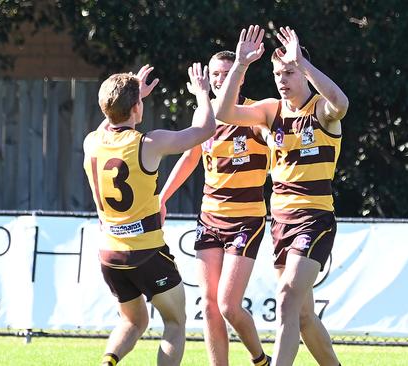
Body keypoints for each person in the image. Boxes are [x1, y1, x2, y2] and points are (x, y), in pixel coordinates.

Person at [215, 25, 349, 366]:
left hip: (314, 219)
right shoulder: (271, 111)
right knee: (303, 317)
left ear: (304, 72)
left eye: (289, 72)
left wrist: (303, 63)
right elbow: (223, 113)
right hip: (281, 223)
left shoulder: (320, 110)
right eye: (277, 73)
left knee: (287, 297)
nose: (282, 79)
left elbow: (341, 102)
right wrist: (242, 65)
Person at [83, 63, 215, 366]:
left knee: (133, 321)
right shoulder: (148, 143)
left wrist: (131, 96)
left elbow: (108, 124)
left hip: (110, 255)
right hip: (146, 252)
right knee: (175, 322)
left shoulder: (91, 142)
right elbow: (206, 130)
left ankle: (107, 363)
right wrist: (203, 94)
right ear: (136, 107)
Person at [159, 51, 271, 366]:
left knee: (228, 305)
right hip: (210, 219)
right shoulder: (205, 117)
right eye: (215, 74)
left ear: (240, 76)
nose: (220, 80)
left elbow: (276, 142)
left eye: (226, 73)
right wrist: (162, 198)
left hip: (246, 219)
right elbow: (190, 157)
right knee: (209, 305)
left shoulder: (253, 113)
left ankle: (260, 359)